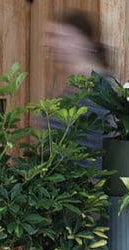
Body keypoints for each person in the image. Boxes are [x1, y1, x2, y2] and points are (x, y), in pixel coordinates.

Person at [43, 9, 115, 157]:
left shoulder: (100, 86)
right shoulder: (64, 82)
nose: (50, 43)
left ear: (83, 42)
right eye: (49, 37)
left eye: (61, 37)